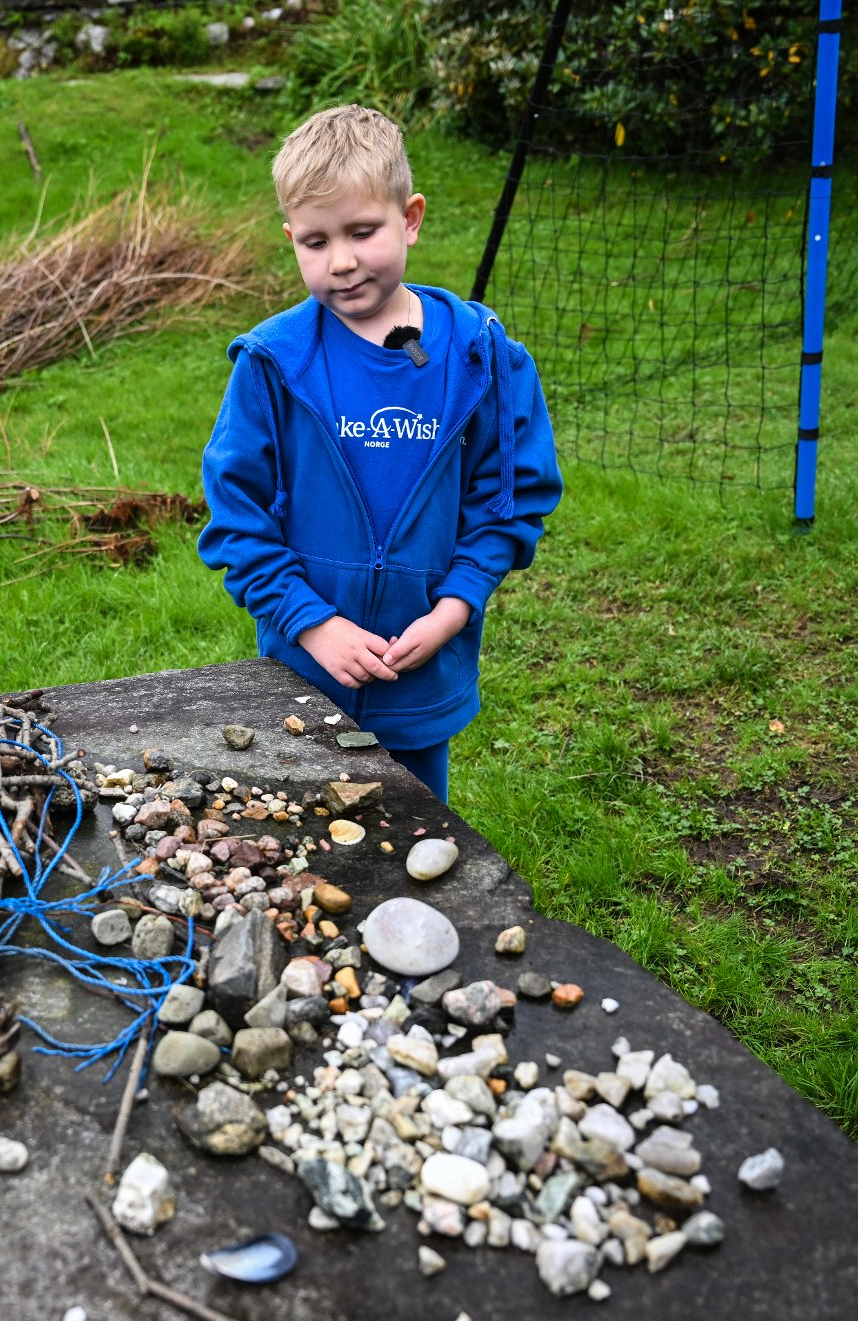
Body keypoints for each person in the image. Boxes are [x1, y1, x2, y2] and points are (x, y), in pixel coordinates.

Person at [198, 105, 563, 802]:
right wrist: (312, 621)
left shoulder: (481, 356)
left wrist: (454, 608)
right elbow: (235, 519)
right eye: (314, 241)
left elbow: (510, 500)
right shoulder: (272, 364)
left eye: (363, 232)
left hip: (420, 670)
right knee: (306, 859)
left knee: (419, 845)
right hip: (303, 671)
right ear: (291, 239)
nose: (340, 261)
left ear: (411, 218)